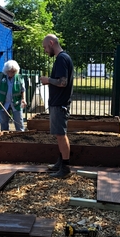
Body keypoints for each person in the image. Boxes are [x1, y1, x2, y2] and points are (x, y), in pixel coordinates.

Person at [40, 34, 74, 178]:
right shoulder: (63, 58)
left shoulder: (61, 59)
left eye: (45, 47)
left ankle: (65, 168)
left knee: (61, 135)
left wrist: (48, 80)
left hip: (60, 104)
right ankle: (60, 163)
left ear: (51, 43)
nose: (45, 51)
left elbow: (62, 82)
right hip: (58, 103)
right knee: (59, 135)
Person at [0, 60, 26, 131]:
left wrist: (24, 99)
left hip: (16, 103)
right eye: (9, 71)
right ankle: (4, 138)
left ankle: (21, 135)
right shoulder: (0, 77)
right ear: (6, 70)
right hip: (3, 102)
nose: (11, 73)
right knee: (3, 122)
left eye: (13, 72)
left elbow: (23, 90)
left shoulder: (19, 78)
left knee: (19, 121)